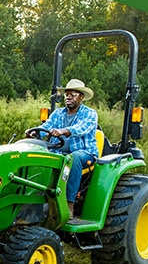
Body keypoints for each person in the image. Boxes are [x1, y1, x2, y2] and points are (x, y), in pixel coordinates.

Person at [26, 79, 98, 224]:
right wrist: (34, 133)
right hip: (59, 152)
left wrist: (63, 131)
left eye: (73, 94)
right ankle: (33, 205)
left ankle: (69, 205)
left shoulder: (90, 114)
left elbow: (82, 128)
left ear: (81, 97)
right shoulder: (58, 113)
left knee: (74, 158)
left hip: (84, 153)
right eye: (67, 94)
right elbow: (47, 126)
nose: (68, 97)